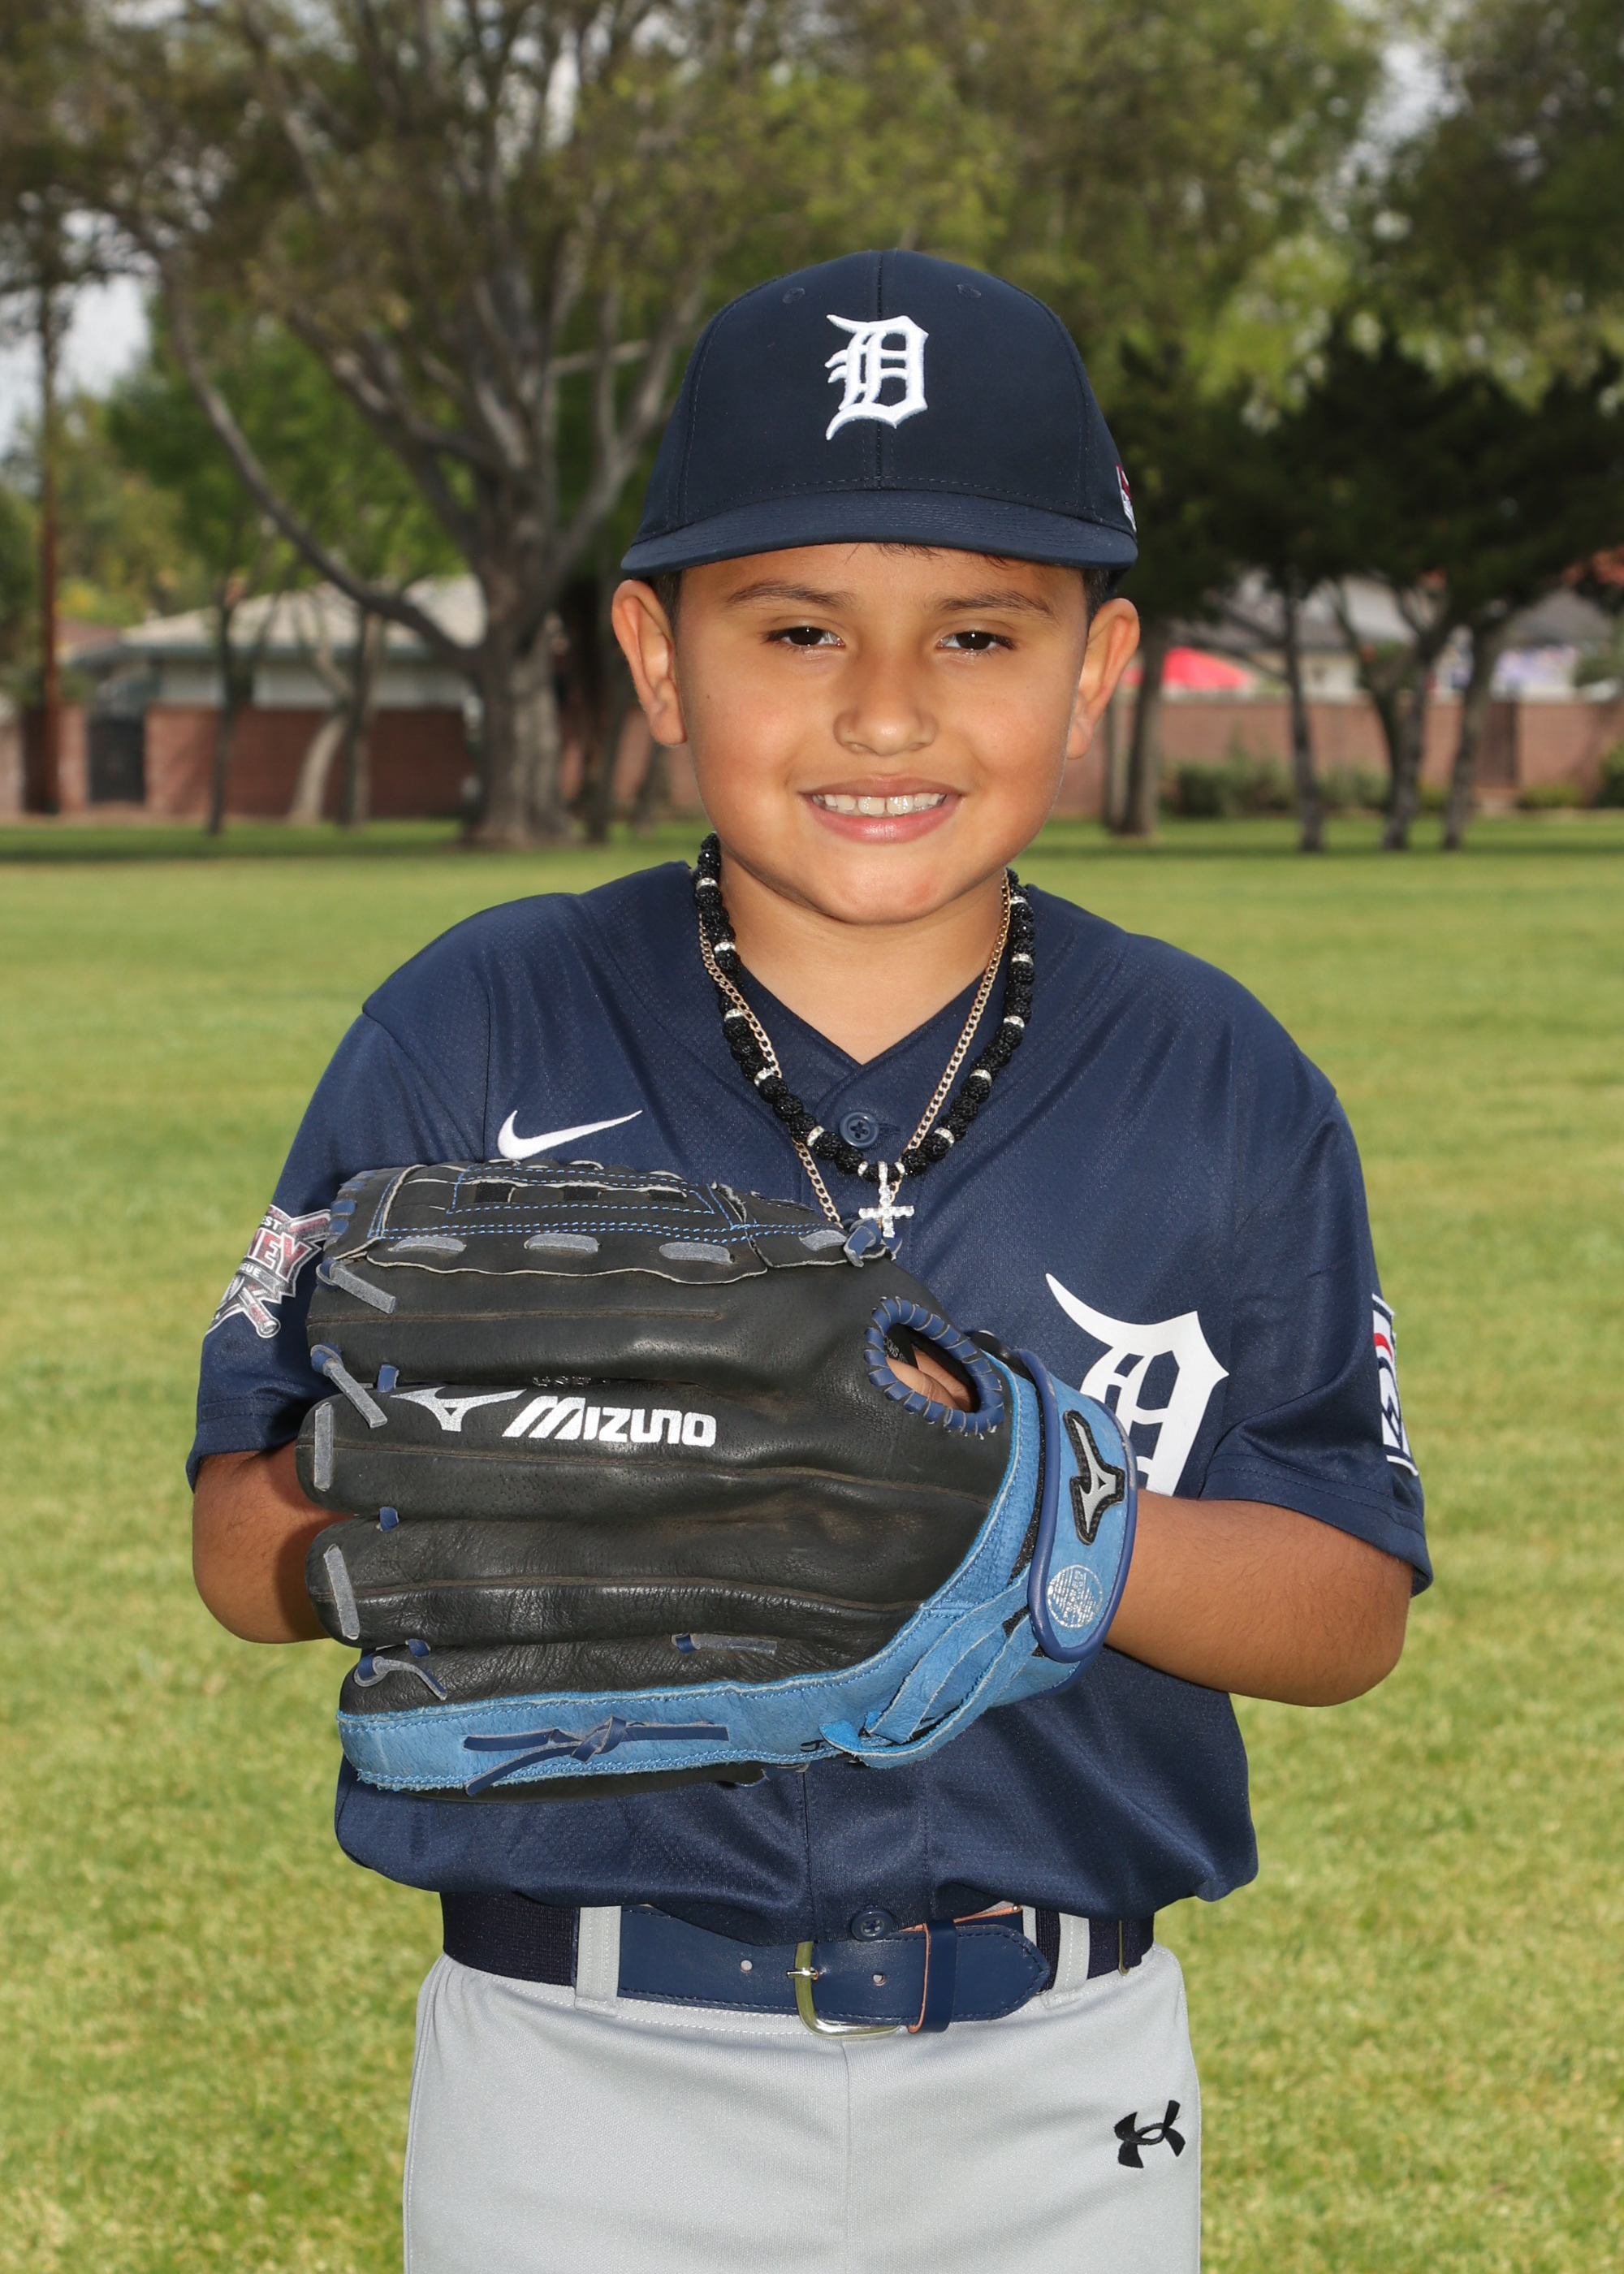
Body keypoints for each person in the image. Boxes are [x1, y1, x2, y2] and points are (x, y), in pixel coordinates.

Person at [190, 250, 1428, 2273]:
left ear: (1097, 666)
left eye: (978, 632)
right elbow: (237, 1546)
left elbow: (1348, 1600)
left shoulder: (1217, 1077)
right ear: (658, 657)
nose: (885, 709)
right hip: (574, 2065)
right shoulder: (478, 1024)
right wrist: (440, 1503)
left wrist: (1029, 1517)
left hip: (1058, 2069)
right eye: (795, 628)